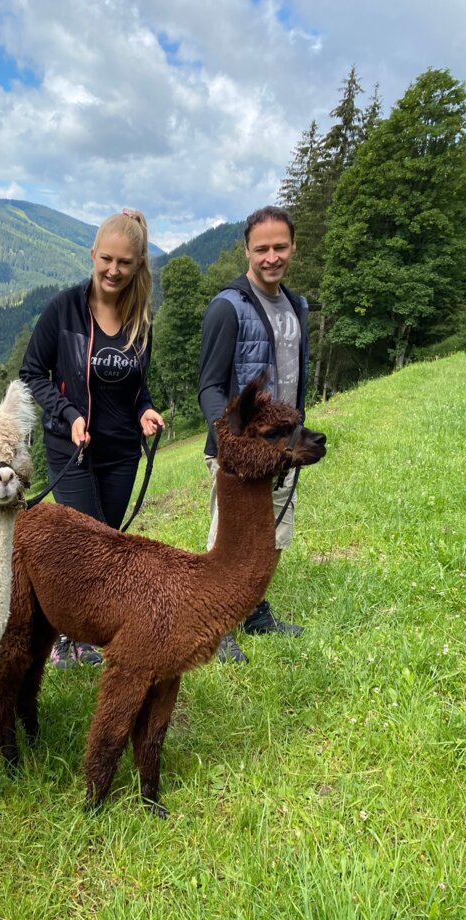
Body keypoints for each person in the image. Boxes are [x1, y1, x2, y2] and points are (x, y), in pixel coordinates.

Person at [20, 208, 164, 668]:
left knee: (107, 543)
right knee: (88, 549)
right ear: (92, 254)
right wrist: (68, 415)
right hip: (72, 450)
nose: (113, 271)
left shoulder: (141, 319)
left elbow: (136, 387)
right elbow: (31, 374)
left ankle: (87, 630)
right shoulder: (63, 310)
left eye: (124, 263)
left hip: (122, 452)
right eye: (106, 259)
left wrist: (145, 410)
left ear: (138, 265)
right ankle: (65, 636)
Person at [198, 205, 310, 664]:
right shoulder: (228, 307)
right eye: (261, 248)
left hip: (283, 448)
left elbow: (295, 378)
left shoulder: (298, 306)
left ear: (292, 248)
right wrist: (232, 444)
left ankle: (254, 611)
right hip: (239, 453)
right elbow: (208, 385)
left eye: (279, 247)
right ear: (246, 250)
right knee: (230, 535)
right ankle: (216, 622)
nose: (271, 257)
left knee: (273, 534)